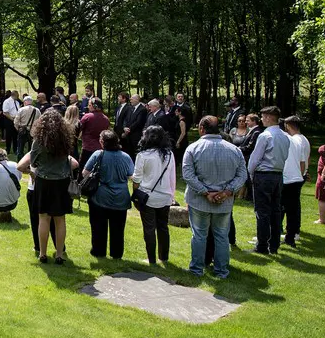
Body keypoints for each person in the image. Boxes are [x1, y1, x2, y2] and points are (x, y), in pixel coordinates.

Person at [182, 116, 247, 278]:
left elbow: (188, 175)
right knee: (221, 236)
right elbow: (242, 175)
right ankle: (221, 271)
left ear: (202, 129)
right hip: (223, 201)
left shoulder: (193, 148)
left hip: (200, 200)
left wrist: (205, 192)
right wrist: (227, 191)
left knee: (199, 235)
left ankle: (197, 269)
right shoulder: (234, 150)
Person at [24, 110, 75, 263]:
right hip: (62, 181)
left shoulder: (38, 141)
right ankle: (59, 254)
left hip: (44, 181)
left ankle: (43, 254)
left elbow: (32, 162)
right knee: (60, 219)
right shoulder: (65, 140)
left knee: (43, 219)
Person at [83, 131, 134, 260]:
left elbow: (85, 173)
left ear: (102, 142)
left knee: (98, 226)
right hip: (121, 197)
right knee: (118, 228)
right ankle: (116, 253)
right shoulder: (126, 157)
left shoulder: (98, 154)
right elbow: (131, 176)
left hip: (101, 196)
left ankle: (98, 251)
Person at [246, 106, 290, 254]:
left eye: (264, 117)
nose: (262, 120)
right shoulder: (285, 136)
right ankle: (274, 245)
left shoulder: (265, 135)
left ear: (270, 118)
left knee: (262, 212)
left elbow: (255, 159)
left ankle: (262, 245)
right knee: (275, 211)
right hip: (278, 175)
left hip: (264, 175)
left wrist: (251, 174)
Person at [131, 126, 177, 265]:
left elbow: (137, 179)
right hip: (165, 196)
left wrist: (135, 193)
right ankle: (163, 257)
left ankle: (151, 260)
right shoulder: (169, 154)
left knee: (149, 228)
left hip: (147, 196)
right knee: (163, 227)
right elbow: (172, 177)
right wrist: (172, 195)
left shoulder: (143, 156)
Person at [281, 115, 310, 248]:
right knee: (293, 208)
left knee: (286, 207)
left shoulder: (295, 139)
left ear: (288, 125)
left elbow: (301, 161)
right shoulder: (302, 139)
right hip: (298, 176)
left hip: (291, 177)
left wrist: (301, 174)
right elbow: (303, 161)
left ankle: (288, 233)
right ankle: (291, 235)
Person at [78, 99, 109, 171]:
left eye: (89, 105)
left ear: (95, 106)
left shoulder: (87, 117)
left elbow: (79, 128)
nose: (88, 107)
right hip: (100, 148)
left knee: (83, 168)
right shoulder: (106, 119)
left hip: (87, 147)